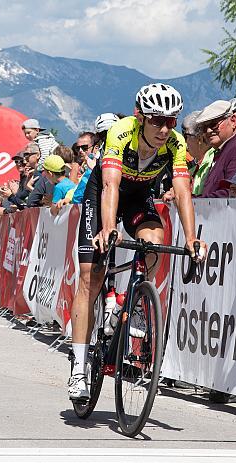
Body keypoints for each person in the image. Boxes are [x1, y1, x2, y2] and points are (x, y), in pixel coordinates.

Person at [68, 83, 206, 401]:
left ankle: (135, 301)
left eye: (171, 120)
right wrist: (106, 229)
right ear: (139, 116)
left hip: (138, 197)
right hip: (102, 193)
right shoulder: (121, 132)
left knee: (155, 240)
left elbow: (183, 190)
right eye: (158, 120)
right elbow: (110, 185)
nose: (164, 128)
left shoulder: (174, 142)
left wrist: (191, 237)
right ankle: (78, 368)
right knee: (91, 278)